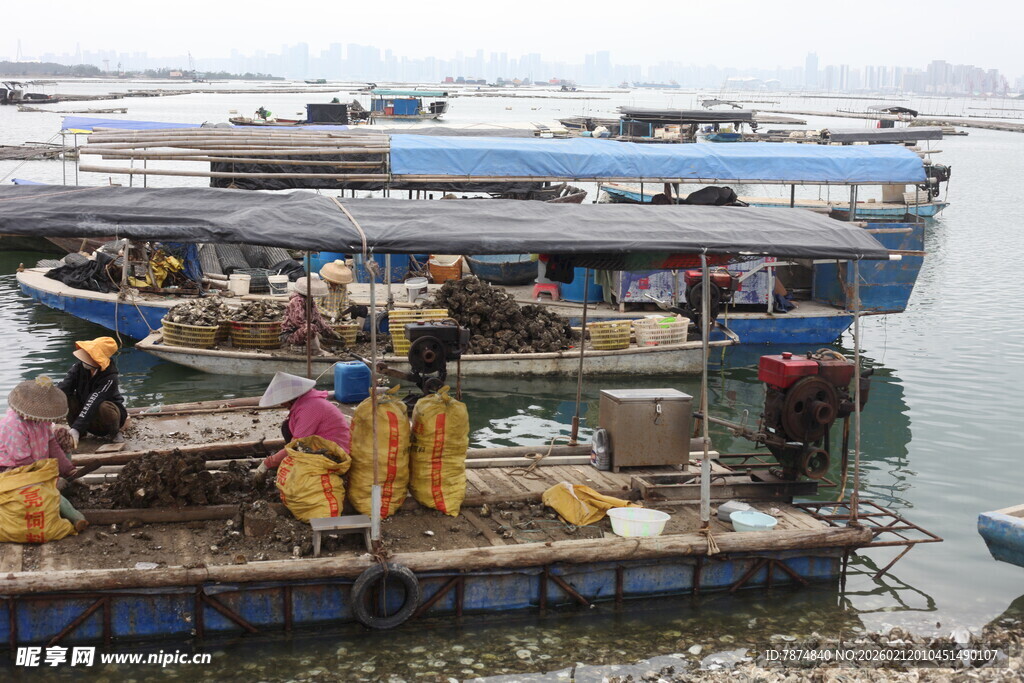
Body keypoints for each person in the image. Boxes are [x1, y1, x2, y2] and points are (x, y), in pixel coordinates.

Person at [0, 376, 88, 531]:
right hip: (15, 469)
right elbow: (23, 462)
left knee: (61, 433)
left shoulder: (41, 419)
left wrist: (68, 469)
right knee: (45, 489)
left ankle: (65, 484)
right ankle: (75, 517)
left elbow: (52, 443)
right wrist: (50, 479)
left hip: (38, 463)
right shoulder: (13, 425)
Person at [252, 372, 352, 480]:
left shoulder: (311, 407)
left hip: (336, 453)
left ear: (291, 398)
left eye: (282, 401)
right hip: (323, 444)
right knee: (286, 426)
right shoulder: (306, 403)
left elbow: (296, 444)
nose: (281, 404)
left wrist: (268, 463)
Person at [58, 337, 128, 448]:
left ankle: (114, 433)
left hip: (104, 417)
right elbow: (64, 387)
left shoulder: (110, 377)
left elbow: (94, 400)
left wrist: (76, 428)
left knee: (104, 406)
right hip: (84, 416)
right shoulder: (78, 368)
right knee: (68, 397)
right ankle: (80, 432)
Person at [282, 276, 336, 351]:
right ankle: (316, 351)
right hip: (291, 334)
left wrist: (330, 331)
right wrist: (316, 332)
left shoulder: (310, 301)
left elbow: (318, 318)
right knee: (310, 328)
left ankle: (318, 346)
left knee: (317, 328)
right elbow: (298, 322)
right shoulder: (296, 301)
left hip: (302, 331)